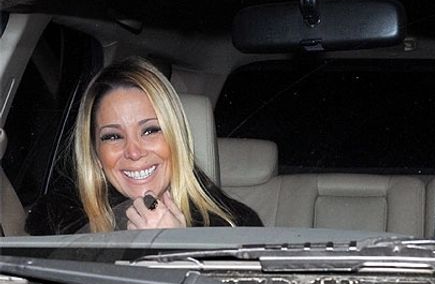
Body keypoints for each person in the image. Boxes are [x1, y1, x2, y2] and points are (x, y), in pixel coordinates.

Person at [25, 57, 262, 234]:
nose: (134, 152)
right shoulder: (59, 222)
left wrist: (176, 249)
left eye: (150, 131)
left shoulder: (236, 228)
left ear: (176, 137)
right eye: (113, 136)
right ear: (95, 151)